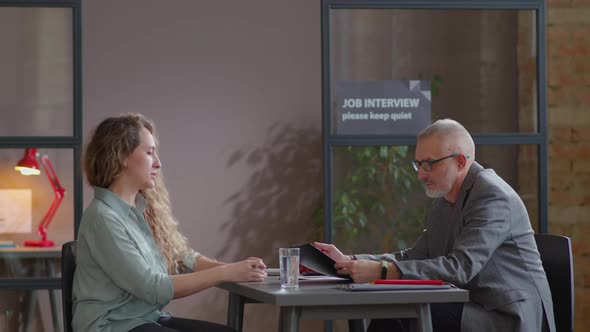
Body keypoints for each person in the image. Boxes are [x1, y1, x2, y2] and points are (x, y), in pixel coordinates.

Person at [315, 119, 555, 332]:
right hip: (470, 303)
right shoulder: (446, 200)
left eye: (429, 164)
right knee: (386, 311)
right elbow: (414, 255)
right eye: (418, 164)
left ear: (461, 161)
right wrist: (351, 262)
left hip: (504, 317)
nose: (420, 174)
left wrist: (383, 271)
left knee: (397, 312)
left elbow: (461, 267)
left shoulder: (492, 196)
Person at [72, 113, 267, 332]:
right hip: (112, 325)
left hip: (145, 319)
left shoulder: (139, 211)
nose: (158, 163)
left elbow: (183, 258)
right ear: (122, 156)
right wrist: (226, 273)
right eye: (149, 153)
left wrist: (234, 269)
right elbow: (154, 288)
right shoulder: (103, 219)